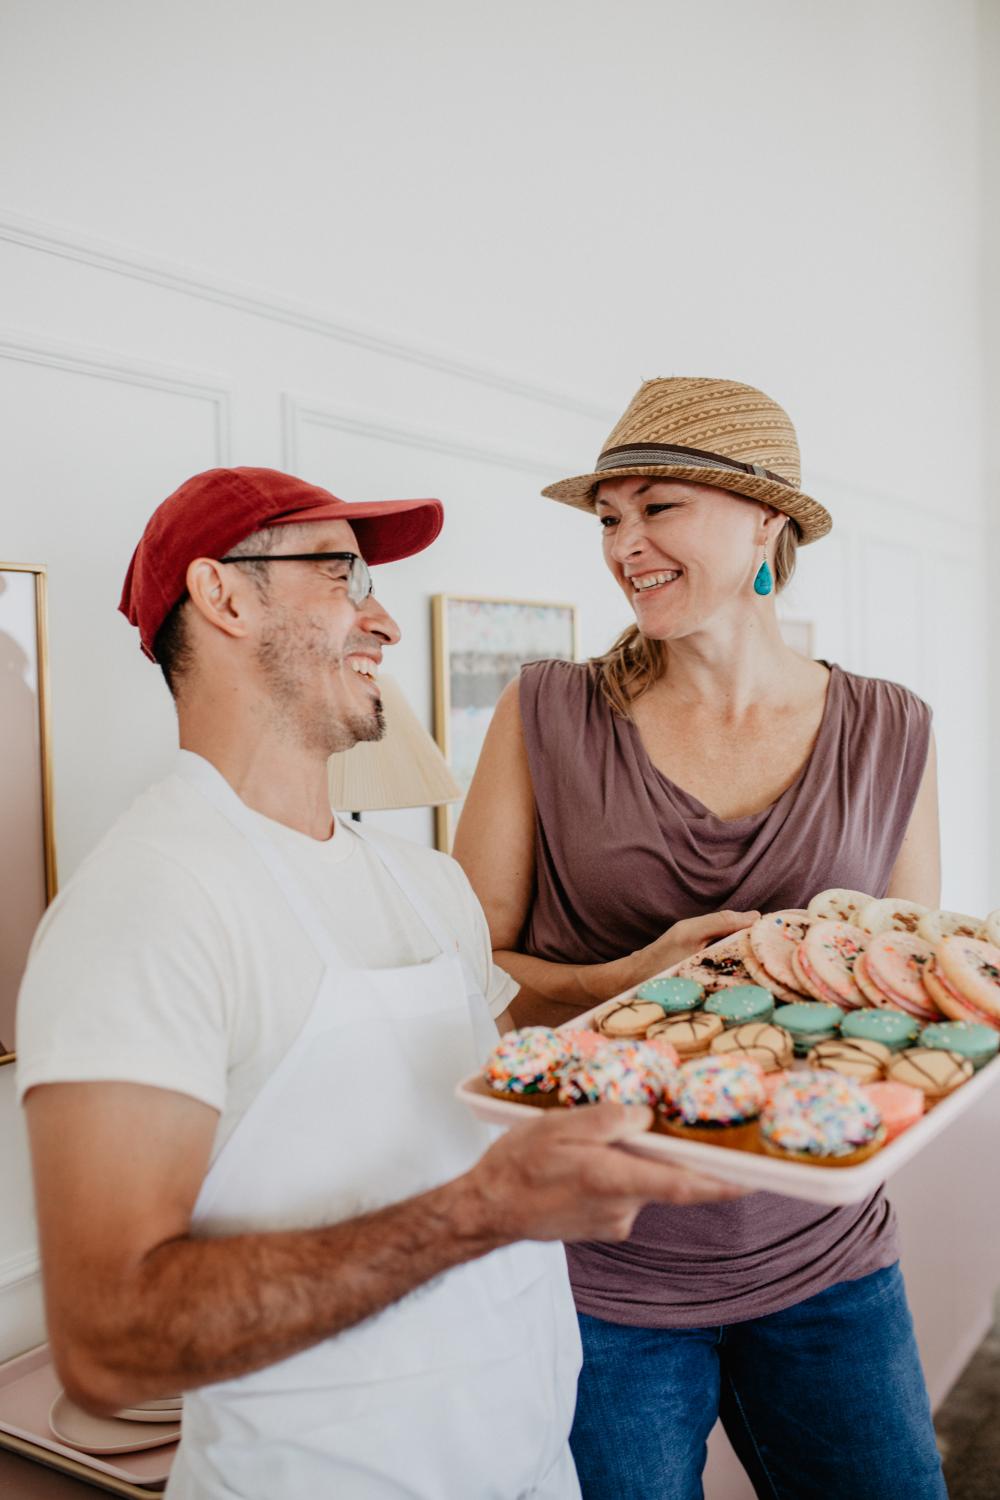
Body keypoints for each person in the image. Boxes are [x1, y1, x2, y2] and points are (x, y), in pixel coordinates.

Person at [17, 466, 740, 1500]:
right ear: (224, 596)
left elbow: (476, 1045)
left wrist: (630, 980)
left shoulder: (421, 881)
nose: (384, 622)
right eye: (343, 575)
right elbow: (110, 1342)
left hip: (535, 1466)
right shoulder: (144, 904)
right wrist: (482, 1211)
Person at [454, 378, 948, 1500]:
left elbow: (907, 982)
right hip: (600, 1271)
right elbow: (465, 973)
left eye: (656, 507)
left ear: (765, 517)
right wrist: (632, 976)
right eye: (608, 518)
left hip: (829, 1255)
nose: (625, 544)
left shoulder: (893, 728)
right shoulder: (545, 714)